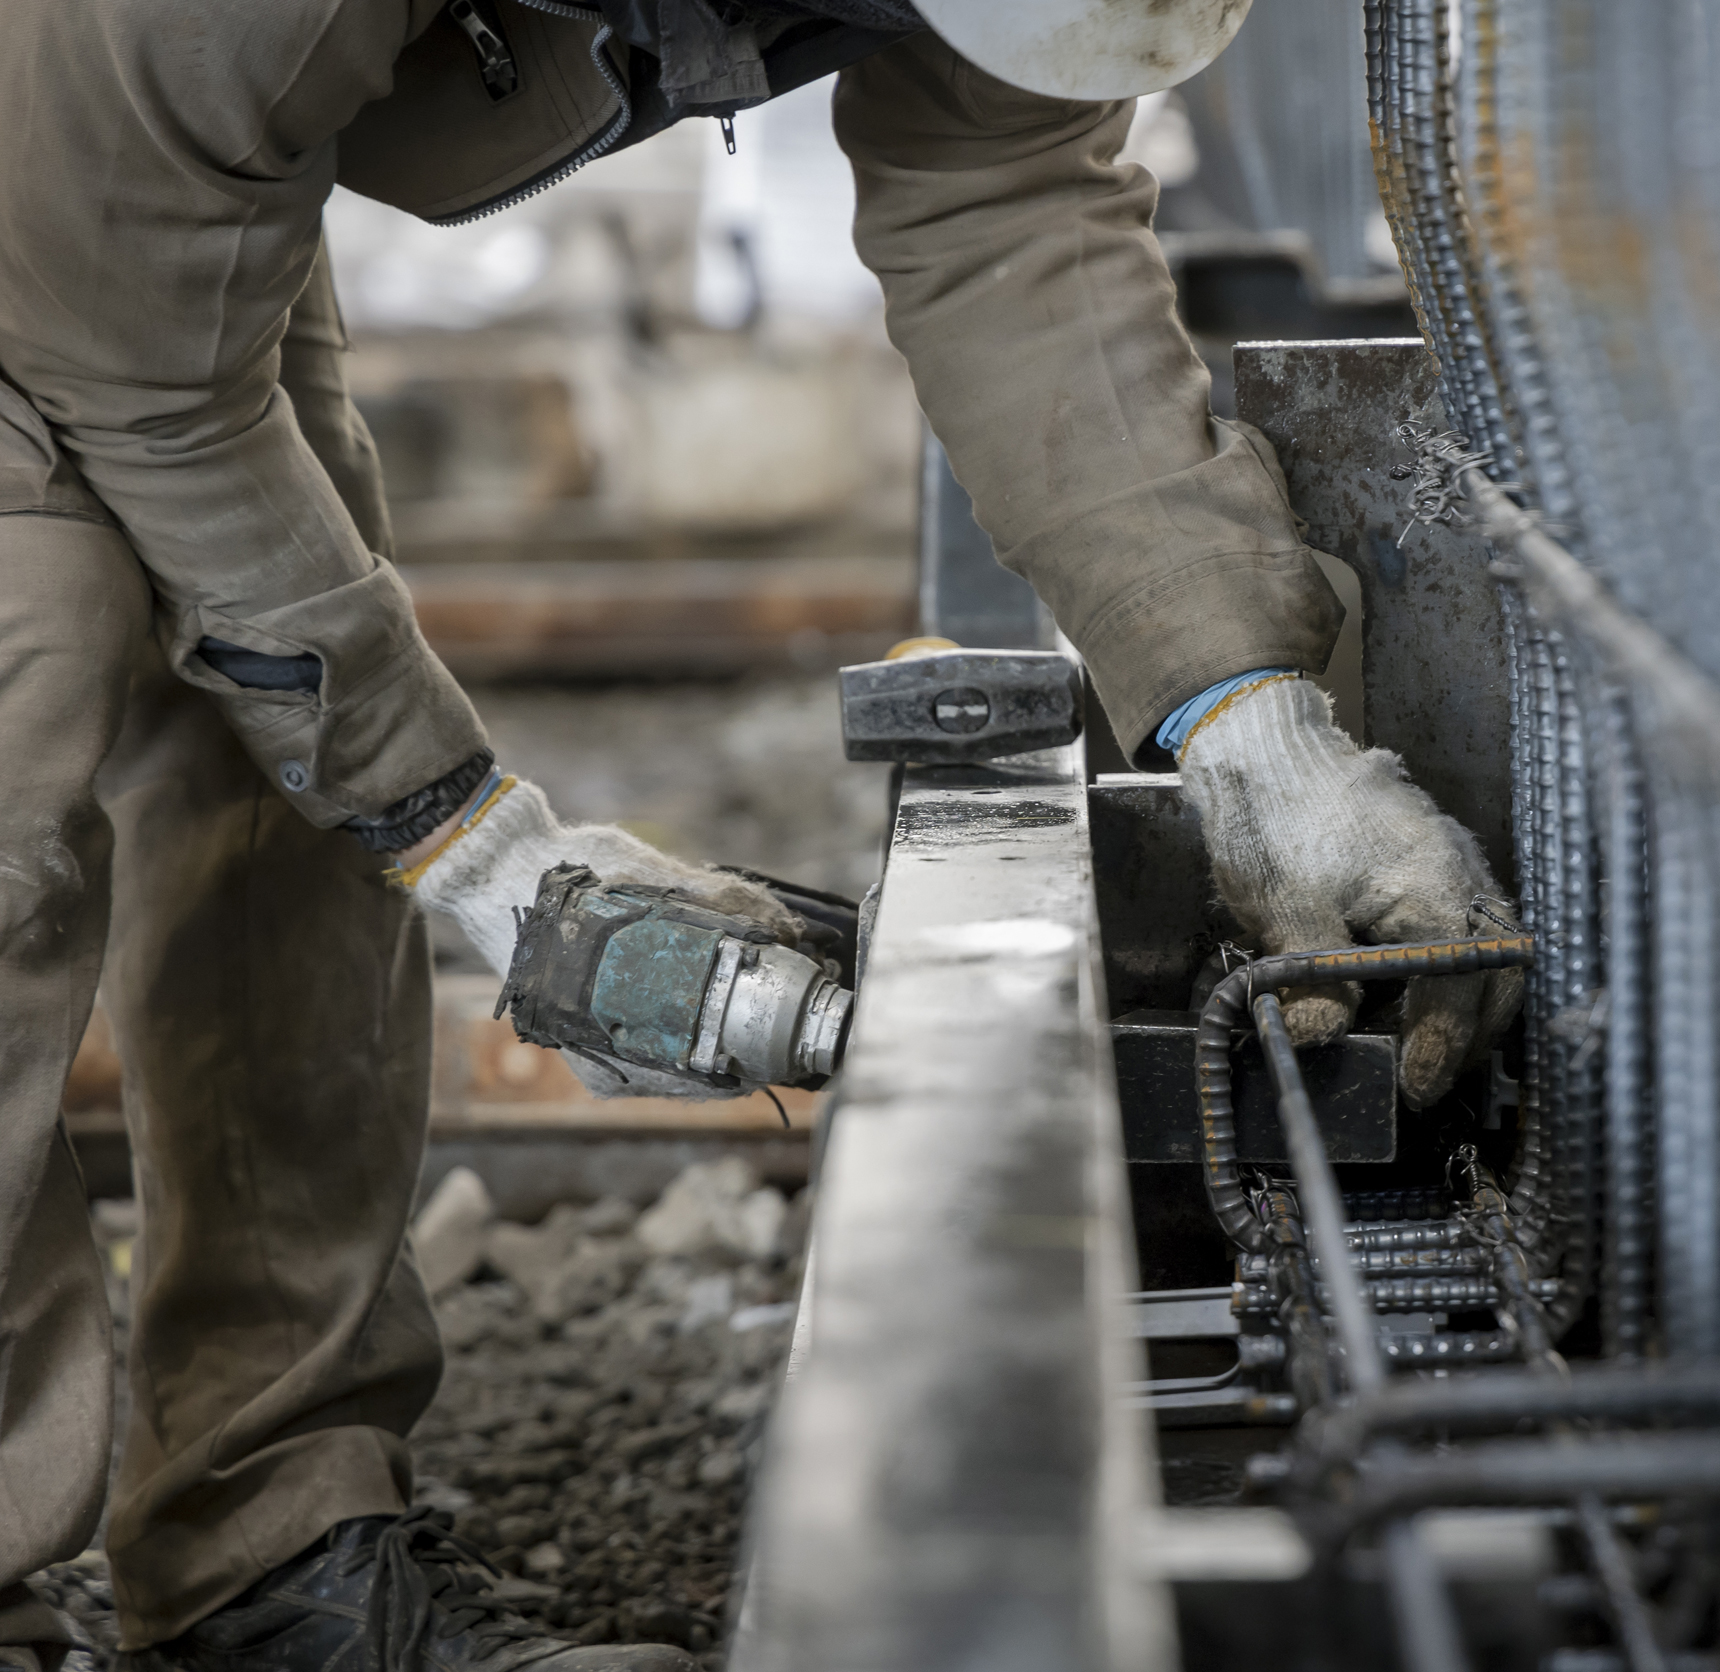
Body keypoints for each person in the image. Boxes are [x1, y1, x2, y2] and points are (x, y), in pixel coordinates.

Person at [0, 0, 1518, 1667]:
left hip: (147, 167)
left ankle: (267, 1563)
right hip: (76, 117)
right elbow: (140, 373)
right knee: (35, 672)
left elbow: (1010, 208)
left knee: (273, 751)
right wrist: (472, 843)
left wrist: (1248, 723)